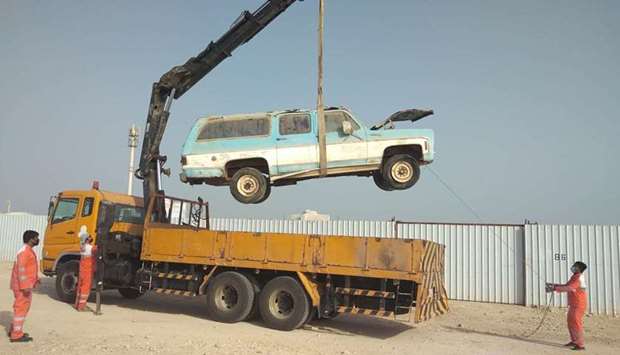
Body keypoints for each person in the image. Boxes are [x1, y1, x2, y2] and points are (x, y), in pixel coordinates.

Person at [547, 261, 588, 351]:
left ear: (579, 268)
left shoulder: (579, 278)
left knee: (576, 323)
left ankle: (580, 344)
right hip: (574, 303)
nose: (573, 267)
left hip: (579, 304)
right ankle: (574, 341)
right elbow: (567, 285)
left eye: (575, 266)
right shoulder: (574, 277)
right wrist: (554, 285)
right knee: (570, 322)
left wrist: (555, 288)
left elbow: (570, 288)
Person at [9, 230, 40, 343]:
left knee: (22, 308)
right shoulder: (24, 252)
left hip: (24, 285)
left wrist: (35, 279)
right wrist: (25, 285)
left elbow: (28, 268)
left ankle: (15, 330)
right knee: (21, 308)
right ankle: (16, 335)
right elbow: (21, 270)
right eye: (36, 238)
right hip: (22, 286)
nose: (37, 240)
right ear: (31, 239)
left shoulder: (27, 250)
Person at [75, 226, 97, 311]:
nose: (91, 238)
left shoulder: (82, 247)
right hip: (88, 269)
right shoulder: (91, 248)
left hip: (82, 269)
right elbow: (97, 249)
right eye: (90, 237)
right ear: (87, 239)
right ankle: (81, 306)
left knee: (80, 286)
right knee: (86, 288)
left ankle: (77, 304)